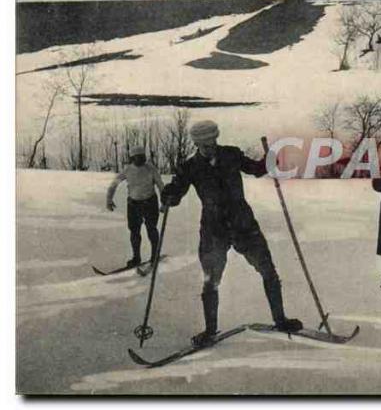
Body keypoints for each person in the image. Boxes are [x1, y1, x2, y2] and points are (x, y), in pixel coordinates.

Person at [160, 120, 302, 346]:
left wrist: (268, 163)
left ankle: (280, 319)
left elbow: (255, 169)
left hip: (243, 224)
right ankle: (210, 331)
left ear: (216, 138)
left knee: (268, 270)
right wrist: (168, 196)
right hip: (213, 229)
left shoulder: (231, 155)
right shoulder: (190, 167)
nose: (210, 147)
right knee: (211, 280)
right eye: (204, 144)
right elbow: (177, 191)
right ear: (196, 144)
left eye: (212, 142)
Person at [106, 146, 164, 267]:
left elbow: (160, 185)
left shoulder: (151, 169)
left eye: (143, 157)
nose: (141, 160)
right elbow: (113, 185)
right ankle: (136, 257)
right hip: (133, 205)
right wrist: (109, 199)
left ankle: (155, 255)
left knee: (151, 229)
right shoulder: (127, 170)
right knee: (134, 231)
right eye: (138, 158)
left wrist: (164, 203)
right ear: (132, 158)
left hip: (150, 203)